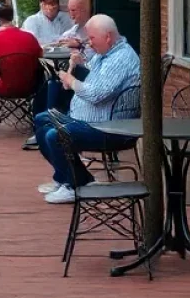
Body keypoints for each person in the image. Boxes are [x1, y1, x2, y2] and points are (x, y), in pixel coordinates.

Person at [34, 14, 141, 204]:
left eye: (92, 38)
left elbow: (96, 94)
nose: (89, 43)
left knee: (56, 135)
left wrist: (71, 81)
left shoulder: (121, 59)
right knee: (42, 119)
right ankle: (72, 178)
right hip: (87, 119)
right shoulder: (107, 53)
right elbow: (96, 75)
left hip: (107, 127)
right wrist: (82, 64)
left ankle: (72, 185)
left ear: (108, 37)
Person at [0, 4, 44, 97]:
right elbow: (40, 57)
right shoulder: (30, 37)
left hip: (2, 88)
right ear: (12, 17)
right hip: (30, 87)